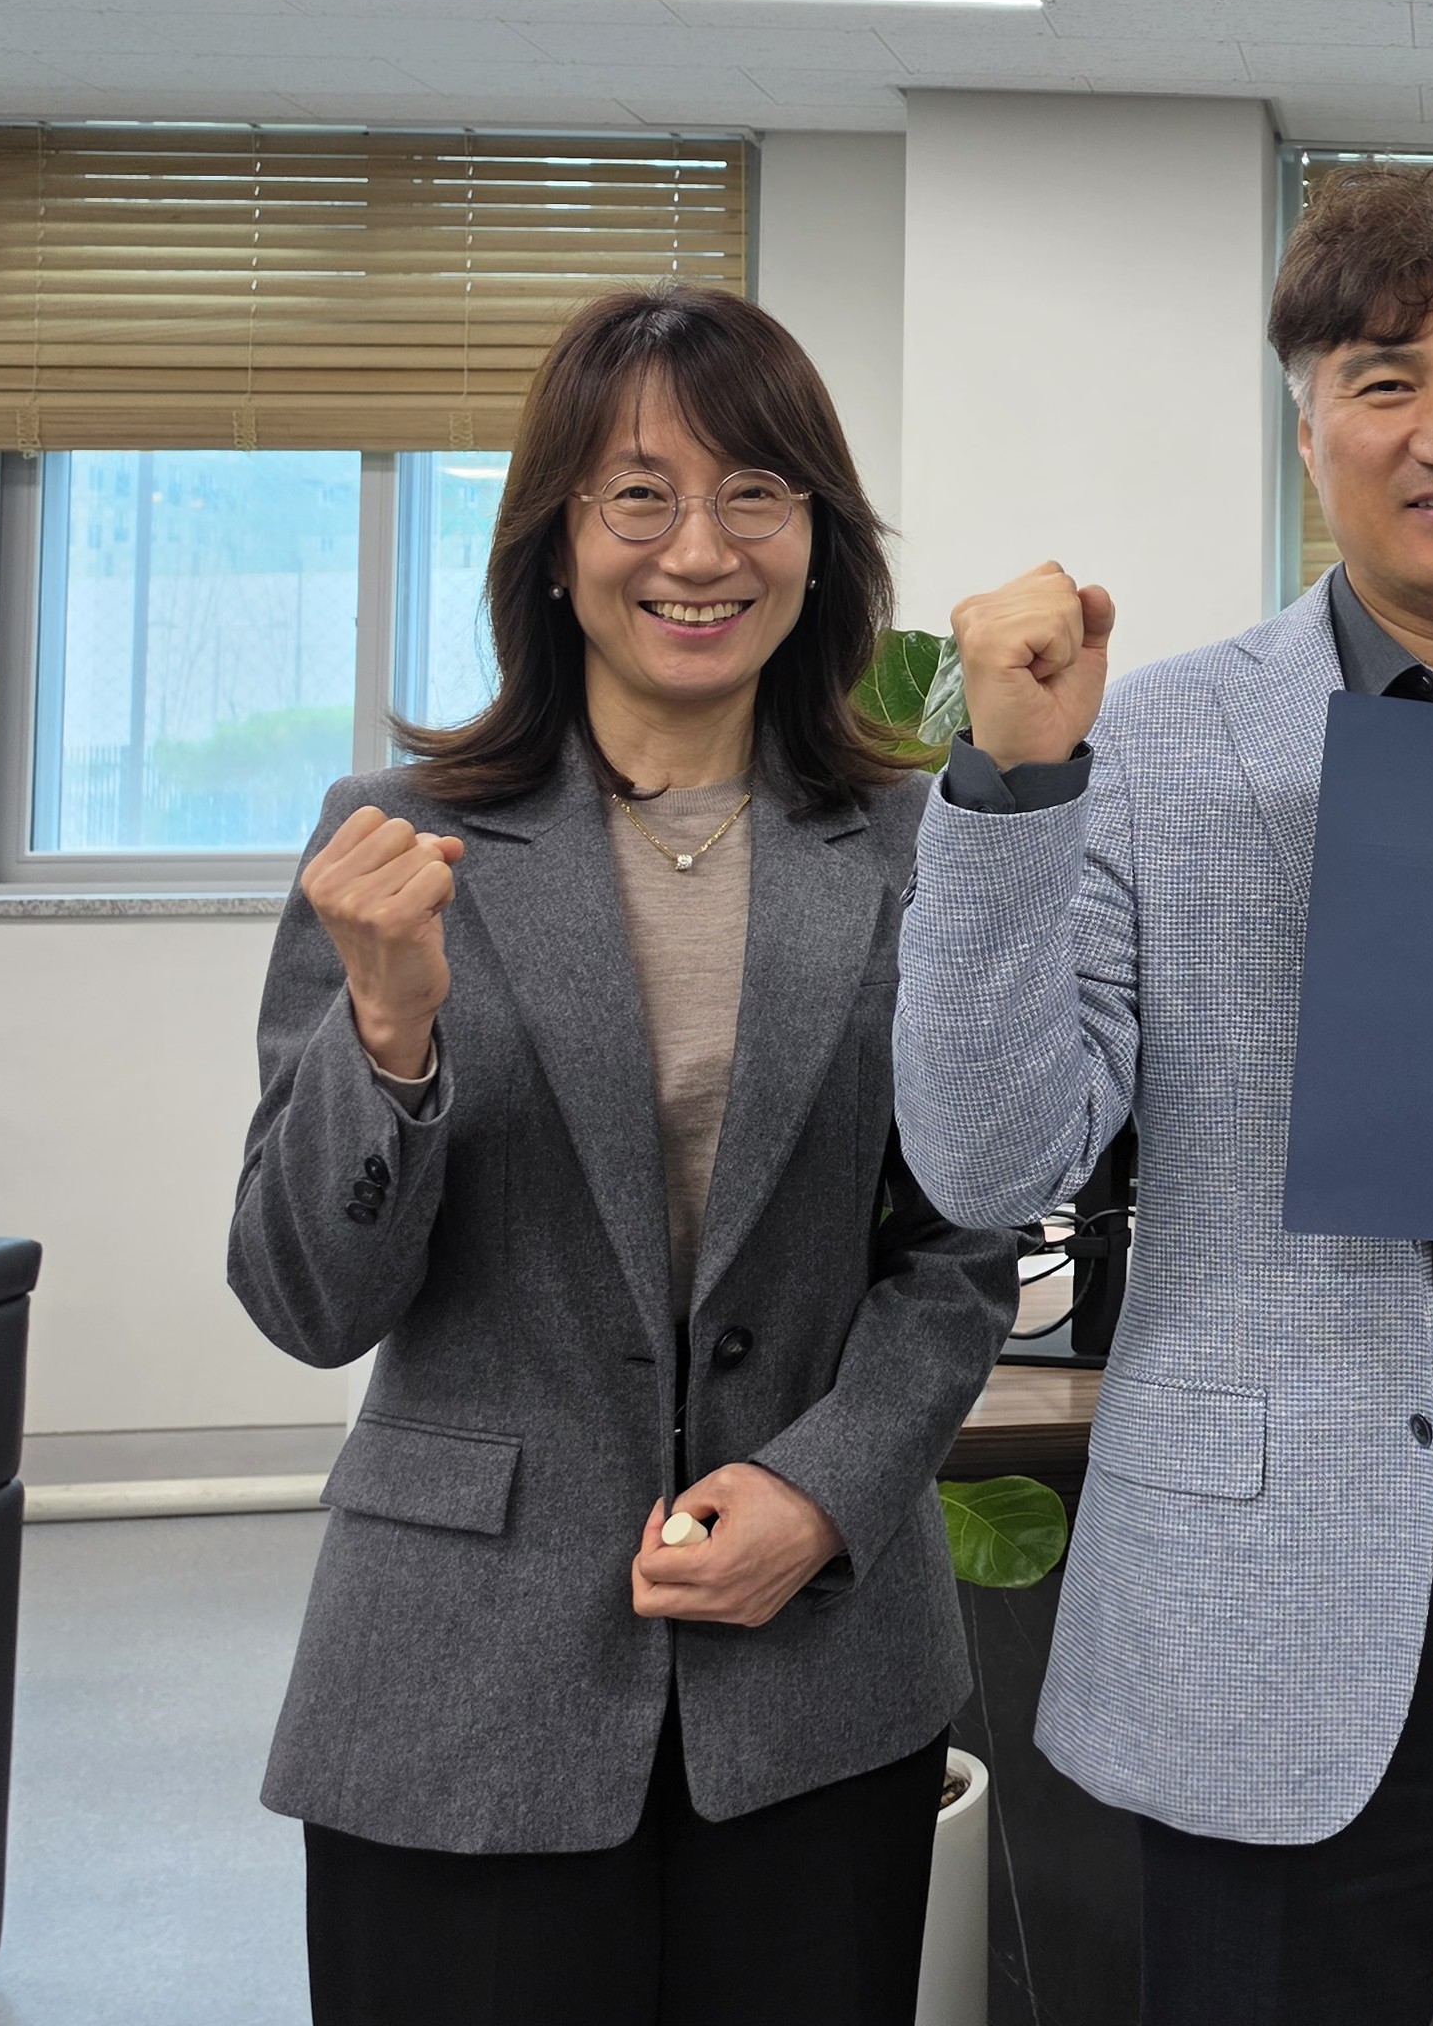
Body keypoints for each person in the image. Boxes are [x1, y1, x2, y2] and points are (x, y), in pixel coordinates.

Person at [892, 162, 1433, 2026]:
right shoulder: (1150, 743)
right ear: (1309, 423)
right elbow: (983, 1156)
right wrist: (1010, 792)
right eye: (1385, 379)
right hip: (1270, 1588)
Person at [229, 286, 1016, 2026]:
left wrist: (823, 1492)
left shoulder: (912, 846)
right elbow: (304, 1300)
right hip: (457, 1676)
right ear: (554, 535)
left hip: (816, 1684)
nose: (699, 548)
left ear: (819, 538)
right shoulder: (397, 842)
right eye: (637, 492)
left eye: (758, 491)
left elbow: (957, 1252)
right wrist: (387, 1032)